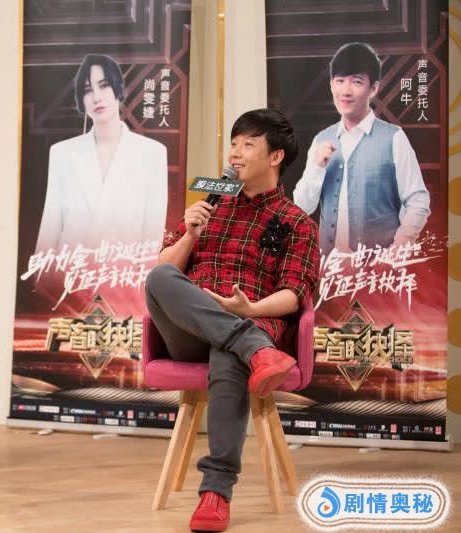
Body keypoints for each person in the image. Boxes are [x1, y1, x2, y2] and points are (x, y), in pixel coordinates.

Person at [144, 109, 319, 532]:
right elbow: (165, 271)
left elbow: (294, 294)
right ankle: (254, 350)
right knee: (160, 277)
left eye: (248, 145)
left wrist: (250, 311)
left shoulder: (297, 223)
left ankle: (216, 493)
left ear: (275, 156)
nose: (235, 154)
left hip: (251, 318)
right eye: (234, 144)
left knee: (229, 353)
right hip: (190, 329)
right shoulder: (212, 201)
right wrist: (190, 234)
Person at [293, 42, 430, 253]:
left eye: (357, 82)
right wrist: (316, 168)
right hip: (330, 265)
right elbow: (302, 207)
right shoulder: (321, 139)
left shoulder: (394, 138)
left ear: (373, 88)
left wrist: (396, 251)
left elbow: (418, 202)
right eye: (340, 81)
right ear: (331, 85)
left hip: (378, 267)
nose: (346, 91)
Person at [35, 53, 168, 253]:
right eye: (88, 90)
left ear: (118, 87)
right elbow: (49, 229)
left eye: (104, 85)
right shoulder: (62, 153)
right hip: (70, 268)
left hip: (124, 269)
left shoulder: (152, 154)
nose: (96, 97)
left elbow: (152, 237)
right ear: (81, 98)